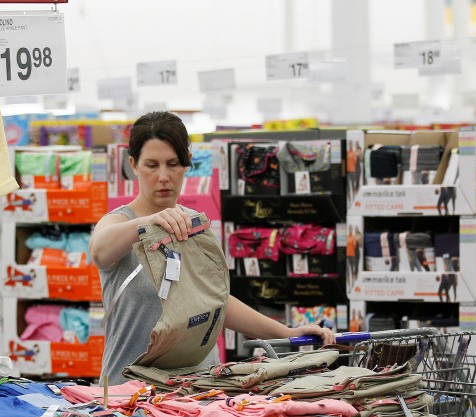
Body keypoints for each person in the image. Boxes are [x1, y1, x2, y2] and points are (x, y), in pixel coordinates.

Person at [89, 111, 336, 385]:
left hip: (198, 389)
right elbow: (99, 251)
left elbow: (216, 301)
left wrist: (287, 332)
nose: (163, 176)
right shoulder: (120, 223)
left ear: (187, 164)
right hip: (131, 392)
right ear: (133, 165)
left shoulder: (194, 225)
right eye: (151, 165)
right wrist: (147, 224)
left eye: (173, 164)